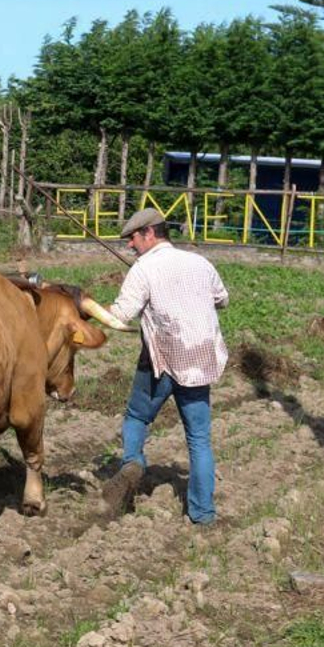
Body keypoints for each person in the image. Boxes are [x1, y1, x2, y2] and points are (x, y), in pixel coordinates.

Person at [100, 208, 229, 525]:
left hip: (161, 362)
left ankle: (132, 463)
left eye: (132, 238)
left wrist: (86, 310)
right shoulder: (200, 263)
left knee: (137, 417)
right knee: (199, 439)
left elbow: (121, 314)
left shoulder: (144, 269)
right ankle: (203, 514)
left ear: (149, 233)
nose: (130, 245)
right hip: (199, 360)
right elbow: (222, 299)